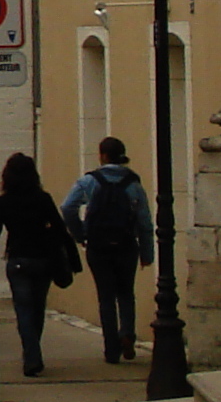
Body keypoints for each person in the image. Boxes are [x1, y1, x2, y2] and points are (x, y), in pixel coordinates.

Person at [62, 137, 154, 364]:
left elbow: (68, 207)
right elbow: (144, 221)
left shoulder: (90, 181)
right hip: (126, 246)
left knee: (105, 297)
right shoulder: (133, 183)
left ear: (102, 155)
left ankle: (111, 348)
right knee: (126, 293)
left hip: (98, 246)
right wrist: (146, 253)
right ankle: (127, 335)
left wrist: (80, 233)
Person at [0, 152, 80, 377]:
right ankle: (32, 352)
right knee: (37, 307)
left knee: (23, 309)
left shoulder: (3, 202)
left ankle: (31, 354)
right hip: (43, 259)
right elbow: (60, 229)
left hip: (18, 259)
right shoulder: (42, 198)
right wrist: (73, 257)